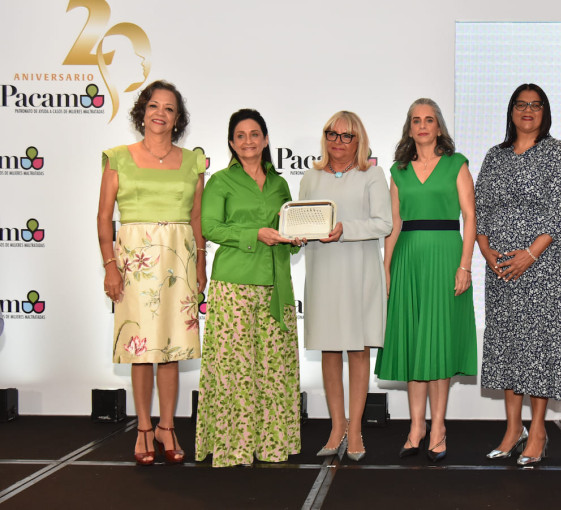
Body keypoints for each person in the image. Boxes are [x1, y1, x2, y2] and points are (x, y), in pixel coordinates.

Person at [475, 83, 561, 466]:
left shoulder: (557, 152)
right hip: (501, 270)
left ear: (545, 112)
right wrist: (486, 250)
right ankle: (513, 429)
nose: (528, 111)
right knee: (510, 345)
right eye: (521, 105)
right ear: (511, 112)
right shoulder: (495, 157)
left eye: (536, 105)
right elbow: (480, 209)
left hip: (543, 269)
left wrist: (530, 253)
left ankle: (538, 429)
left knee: (539, 348)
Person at [97, 80, 206, 465]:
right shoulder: (117, 157)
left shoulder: (194, 161)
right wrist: (111, 267)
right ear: (142, 111)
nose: (160, 113)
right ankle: (143, 427)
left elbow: (196, 218)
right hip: (134, 263)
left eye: (169, 108)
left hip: (178, 259)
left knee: (172, 349)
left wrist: (200, 266)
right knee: (141, 351)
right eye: (154, 106)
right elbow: (104, 217)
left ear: (178, 119)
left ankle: (167, 426)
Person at [195, 109, 303, 467]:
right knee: (234, 370)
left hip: (276, 285)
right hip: (233, 284)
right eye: (240, 136)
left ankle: (272, 444)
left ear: (266, 139)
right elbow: (209, 227)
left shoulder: (280, 184)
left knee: (275, 369)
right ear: (231, 143)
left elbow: (285, 231)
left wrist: (296, 239)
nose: (248, 141)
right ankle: (235, 447)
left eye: (255, 134)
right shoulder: (221, 182)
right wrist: (252, 234)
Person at [375, 98, 477, 462]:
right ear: (409, 127)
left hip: (446, 258)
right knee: (414, 345)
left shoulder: (457, 164)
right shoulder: (398, 171)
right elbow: (394, 224)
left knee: (438, 345)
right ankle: (416, 426)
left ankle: (438, 428)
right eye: (416, 120)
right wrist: (387, 269)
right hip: (408, 259)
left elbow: (470, 217)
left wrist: (465, 265)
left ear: (438, 127)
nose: (422, 125)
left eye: (429, 119)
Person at [300, 111, 392, 462]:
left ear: (359, 140)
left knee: (357, 350)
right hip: (323, 270)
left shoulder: (372, 174)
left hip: (358, 271)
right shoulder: (310, 176)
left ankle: (355, 431)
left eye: (346, 136)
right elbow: (302, 219)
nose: (338, 141)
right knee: (328, 349)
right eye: (332, 134)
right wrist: (296, 236)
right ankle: (336, 427)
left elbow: (383, 223)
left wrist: (344, 229)